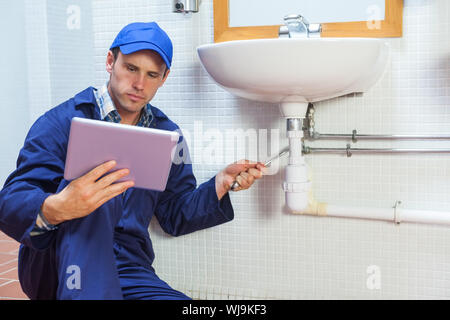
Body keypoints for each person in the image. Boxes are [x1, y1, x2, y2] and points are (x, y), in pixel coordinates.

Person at [0, 22, 265, 300]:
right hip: (59, 263)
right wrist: (59, 207)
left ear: (164, 78)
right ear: (110, 61)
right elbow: (10, 201)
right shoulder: (60, 122)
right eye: (131, 68)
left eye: (152, 74)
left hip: (127, 269)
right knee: (101, 186)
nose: (139, 84)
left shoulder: (167, 135)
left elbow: (174, 214)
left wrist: (219, 185)